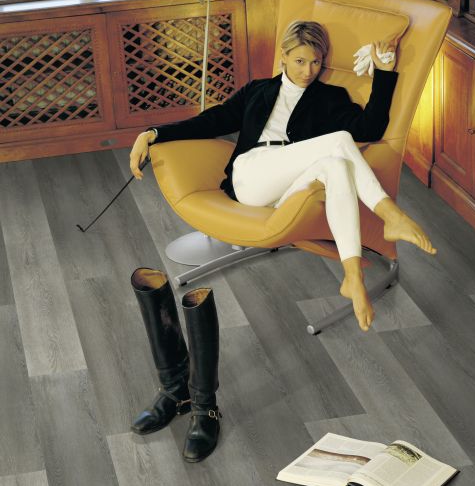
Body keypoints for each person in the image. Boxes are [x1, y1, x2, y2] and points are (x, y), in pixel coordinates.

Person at [129, 20, 436, 332]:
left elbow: (369, 129)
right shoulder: (257, 91)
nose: (308, 71)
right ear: (284, 56)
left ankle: (352, 275)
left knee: (337, 165)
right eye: (300, 61)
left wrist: (384, 73)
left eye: (315, 62)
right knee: (340, 141)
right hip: (251, 175)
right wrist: (153, 134)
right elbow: (212, 120)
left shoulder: (330, 97)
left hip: (288, 191)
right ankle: (390, 215)